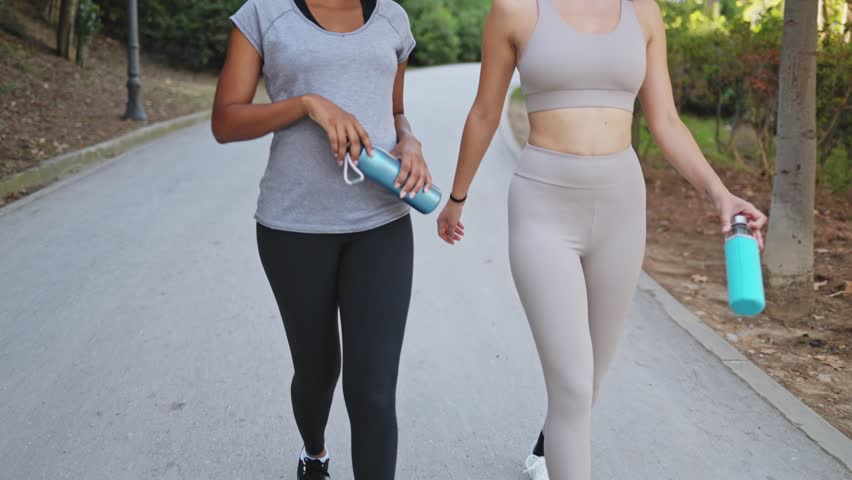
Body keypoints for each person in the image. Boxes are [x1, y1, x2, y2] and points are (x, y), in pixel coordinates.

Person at [436, 1, 768, 479]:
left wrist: (720, 195)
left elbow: (667, 120)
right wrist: (457, 196)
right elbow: (487, 112)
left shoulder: (643, 13)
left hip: (621, 209)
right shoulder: (515, 10)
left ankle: (549, 446)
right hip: (543, 206)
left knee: (589, 380)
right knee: (572, 385)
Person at [212, 0, 429, 479]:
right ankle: (314, 452)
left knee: (373, 390)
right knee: (317, 372)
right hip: (293, 227)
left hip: (382, 222)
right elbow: (225, 122)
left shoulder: (392, 16)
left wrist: (409, 142)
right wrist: (308, 103)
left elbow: (394, 111)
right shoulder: (263, 14)